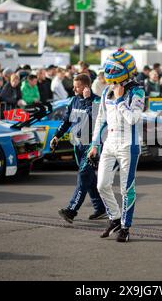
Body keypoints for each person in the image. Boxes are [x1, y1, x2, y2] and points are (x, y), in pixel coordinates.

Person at [88, 48, 145, 242]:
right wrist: (94, 144)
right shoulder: (106, 91)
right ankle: (114, 217)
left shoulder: (137, 90)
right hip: (109, 143)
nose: (110, 73)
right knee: (101, 184)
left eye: (114, 69)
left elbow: (133, 118)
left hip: (129, 145)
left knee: (126, 189)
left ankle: (125, 227)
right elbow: (100, 119)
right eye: (109, 68)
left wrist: (120, 99)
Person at [50, 74, 107, 223]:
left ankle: (71, 211)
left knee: (83, 177)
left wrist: (88, 100)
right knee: (89, 179)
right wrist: (56, 136)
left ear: (86, 87)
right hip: (78, 147)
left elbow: (97, 119)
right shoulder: (73, 100)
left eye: (77, 86)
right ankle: (100, 208)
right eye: (74, 86)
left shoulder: (96, 100)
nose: (73, 88)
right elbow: (66, 121)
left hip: (92, 147)